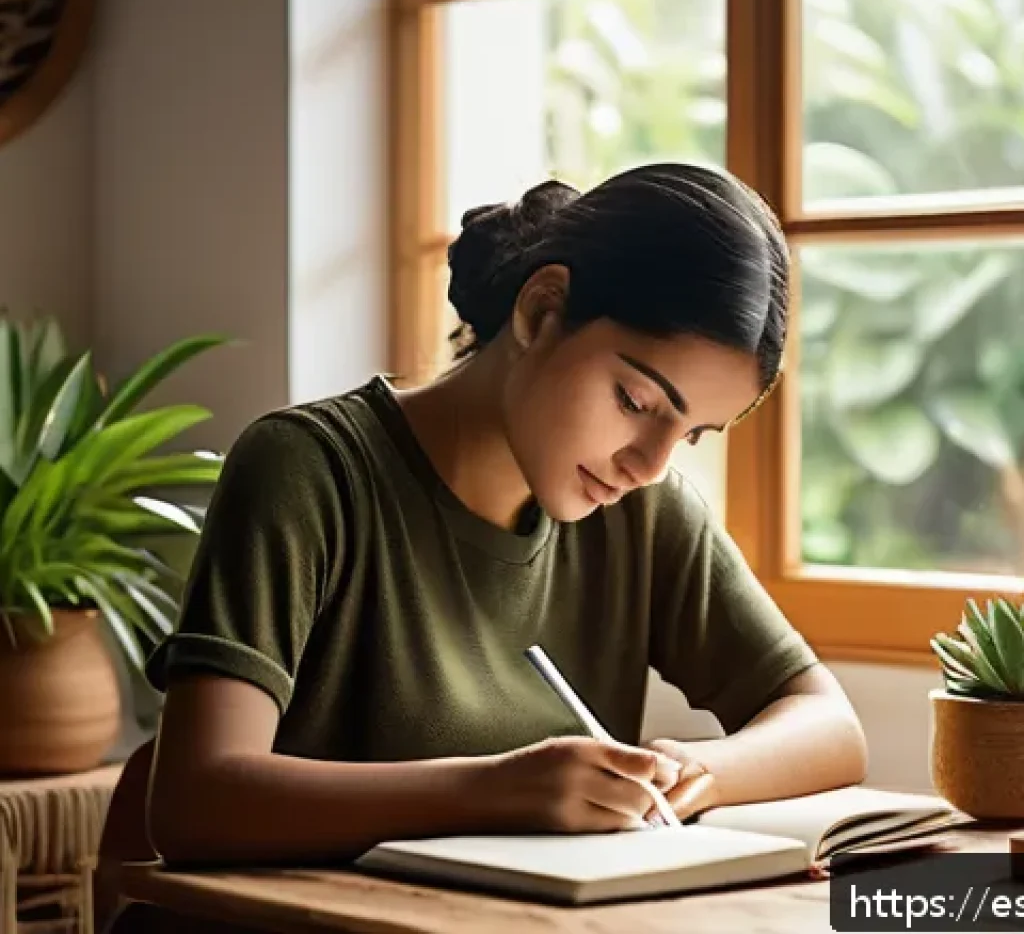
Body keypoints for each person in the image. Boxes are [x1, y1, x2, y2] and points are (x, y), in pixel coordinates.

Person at [118, 162, 868, 894]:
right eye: (637, 401)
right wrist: (496, 791)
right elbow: (194, 800)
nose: (650, 462)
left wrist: (680, 775)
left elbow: (829, 727)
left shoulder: (643, 509)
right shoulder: (308, 469)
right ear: (542, 310)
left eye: (693, 434)